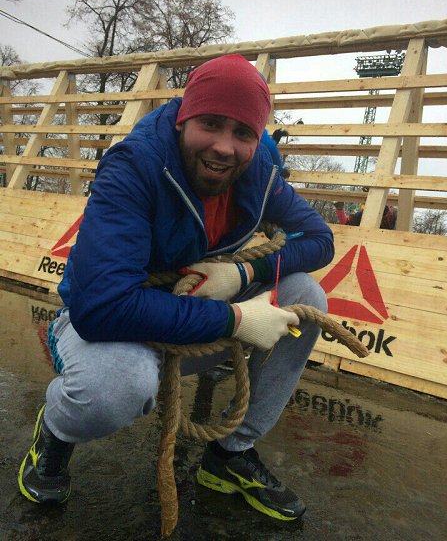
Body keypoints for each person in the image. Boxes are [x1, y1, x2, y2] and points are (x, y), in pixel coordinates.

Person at [18, 55, 334, 522]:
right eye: (211, 124)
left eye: (242, 133)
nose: (224, 147)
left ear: (257, 138)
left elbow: (320, 239)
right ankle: (56, 432)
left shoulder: (260, 168)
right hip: (116, 328)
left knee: (306, 296)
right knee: (113, 389)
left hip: (192, 312)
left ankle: (230, 455)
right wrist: (236, 319)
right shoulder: (134, 165)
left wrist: (244, 275)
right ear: (185, 117)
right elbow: (103, 306)